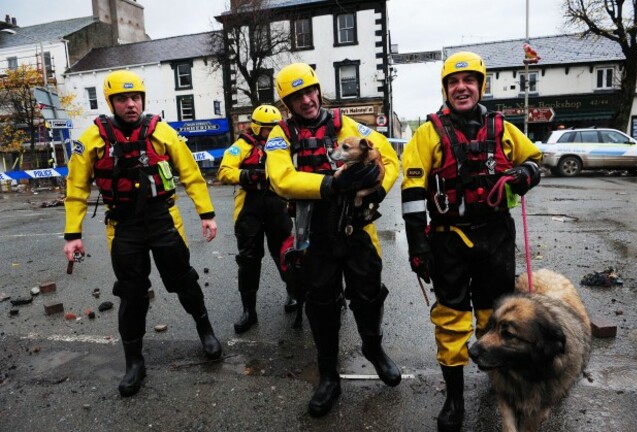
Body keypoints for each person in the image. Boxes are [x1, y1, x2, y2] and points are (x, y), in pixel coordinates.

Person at [400, 51, 542, 432]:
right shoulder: (427, 133)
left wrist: (524, 175)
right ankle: (454, 398)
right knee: (451, 317)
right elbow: (413, 191)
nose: (461, 88)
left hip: (496, 236)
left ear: (481, 85)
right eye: (453, 82)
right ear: (445, 89)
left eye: (469, 81)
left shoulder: (503, 128)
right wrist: (417, 245)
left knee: (495, 315)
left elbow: (533, 161)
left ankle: (499, 381)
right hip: (449, 239)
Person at [63, 70, 223, 398]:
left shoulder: (162, 132)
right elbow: (76, 188)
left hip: (164, 220)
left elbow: (191, 175)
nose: (130, 104)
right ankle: (134, 362)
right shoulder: (92, 140)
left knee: (184, 281)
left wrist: (207, 214)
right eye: (122, 99)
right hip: (123, 227)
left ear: (143, 100)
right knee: (132, 295)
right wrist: (72, 234)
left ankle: (204, 329)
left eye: (135, 97)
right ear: (111, 103)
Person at [265, 62, 402, 417]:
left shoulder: (347, 126)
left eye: (311, 91)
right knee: (322, 305)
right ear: (287, 102)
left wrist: (376, 191)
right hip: (314, 234)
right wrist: (330, 184)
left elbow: (388, 157)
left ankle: (374, 349)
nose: (308, 100)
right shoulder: (280, 134)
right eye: (298, 96)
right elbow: (280, 178)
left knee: (369, 295)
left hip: (356, 229)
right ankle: (328, 376)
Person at [216, 104, 298, 334]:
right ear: (256, 127)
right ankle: (248, 311)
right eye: (267, 129)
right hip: (249, 209)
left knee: (285, 253)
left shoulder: (283, 145)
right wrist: (246, 174)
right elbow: (223, 171)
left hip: (277, 205)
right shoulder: (242, 145)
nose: (271, 133)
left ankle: (293, 294)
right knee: (248, 259)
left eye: (274, 128)